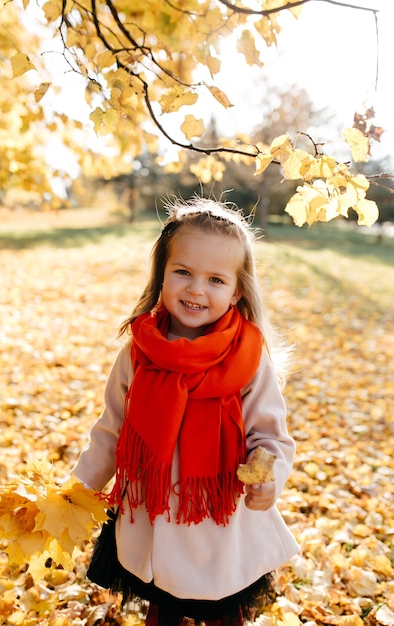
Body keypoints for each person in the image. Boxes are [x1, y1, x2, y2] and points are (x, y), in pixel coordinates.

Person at [73, 196, 299, 626]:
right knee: (162, 609)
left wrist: (269, 478)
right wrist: (78, 491)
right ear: (162, 276)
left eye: (216, 279)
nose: (196, 289)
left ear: (236, 291)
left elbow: (271, 438)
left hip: (218, 519)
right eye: (183, 272)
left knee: (222, 611)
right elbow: (110, 431)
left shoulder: (249, 359)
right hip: (152, 514)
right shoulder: (139, 351)